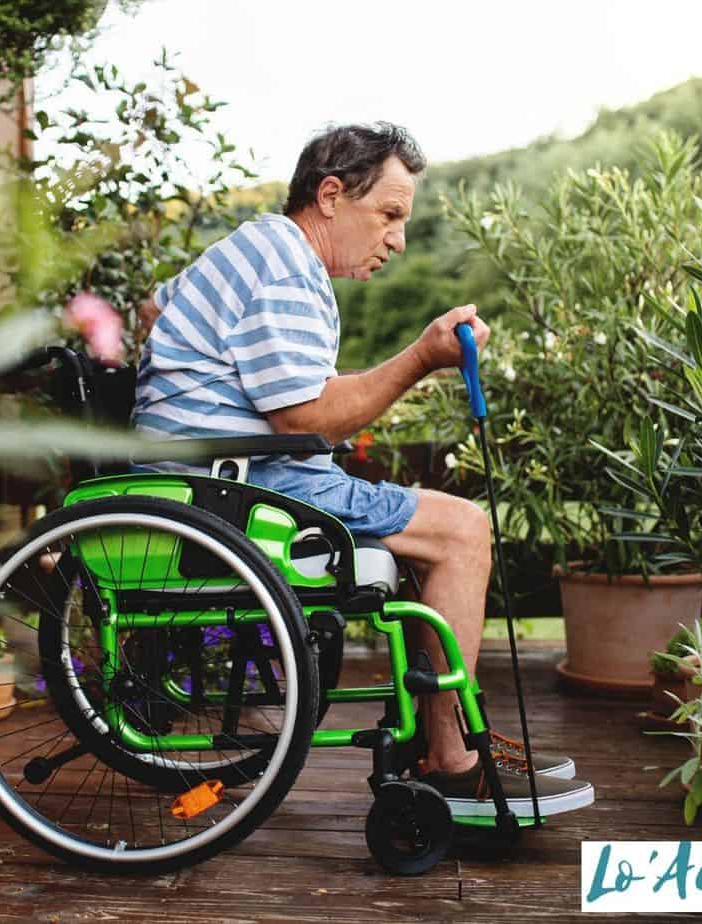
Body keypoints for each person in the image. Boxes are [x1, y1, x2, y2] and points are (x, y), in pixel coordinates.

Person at [133, 123, 593, 817]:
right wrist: (418, 358)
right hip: (239, 488)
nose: (397, 239)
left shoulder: (250, 248)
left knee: (426, 538)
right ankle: (449, 758)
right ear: (329, 195)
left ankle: (441, 735)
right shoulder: (287, 267)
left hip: (203, 478)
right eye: (389, 215)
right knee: (461, 529)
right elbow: (304, 419)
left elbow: (151, 310)